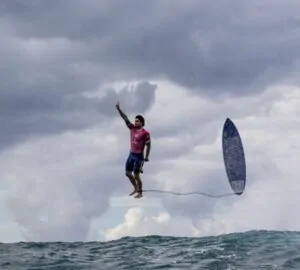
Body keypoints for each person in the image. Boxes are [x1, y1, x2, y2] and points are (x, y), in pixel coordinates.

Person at [116, 101, 151, 198]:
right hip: (131, 155)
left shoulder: (145, 133)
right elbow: (125, 118)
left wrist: (147, 157)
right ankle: (135, 187)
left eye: (137, 121)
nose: (135, 122)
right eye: (135, 121)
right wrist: (119, 110)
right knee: (127, 173)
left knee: (136, 175)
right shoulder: (132, 128)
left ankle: (140, 193)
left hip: (139, 157)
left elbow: (149, 145)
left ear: (142, 123)